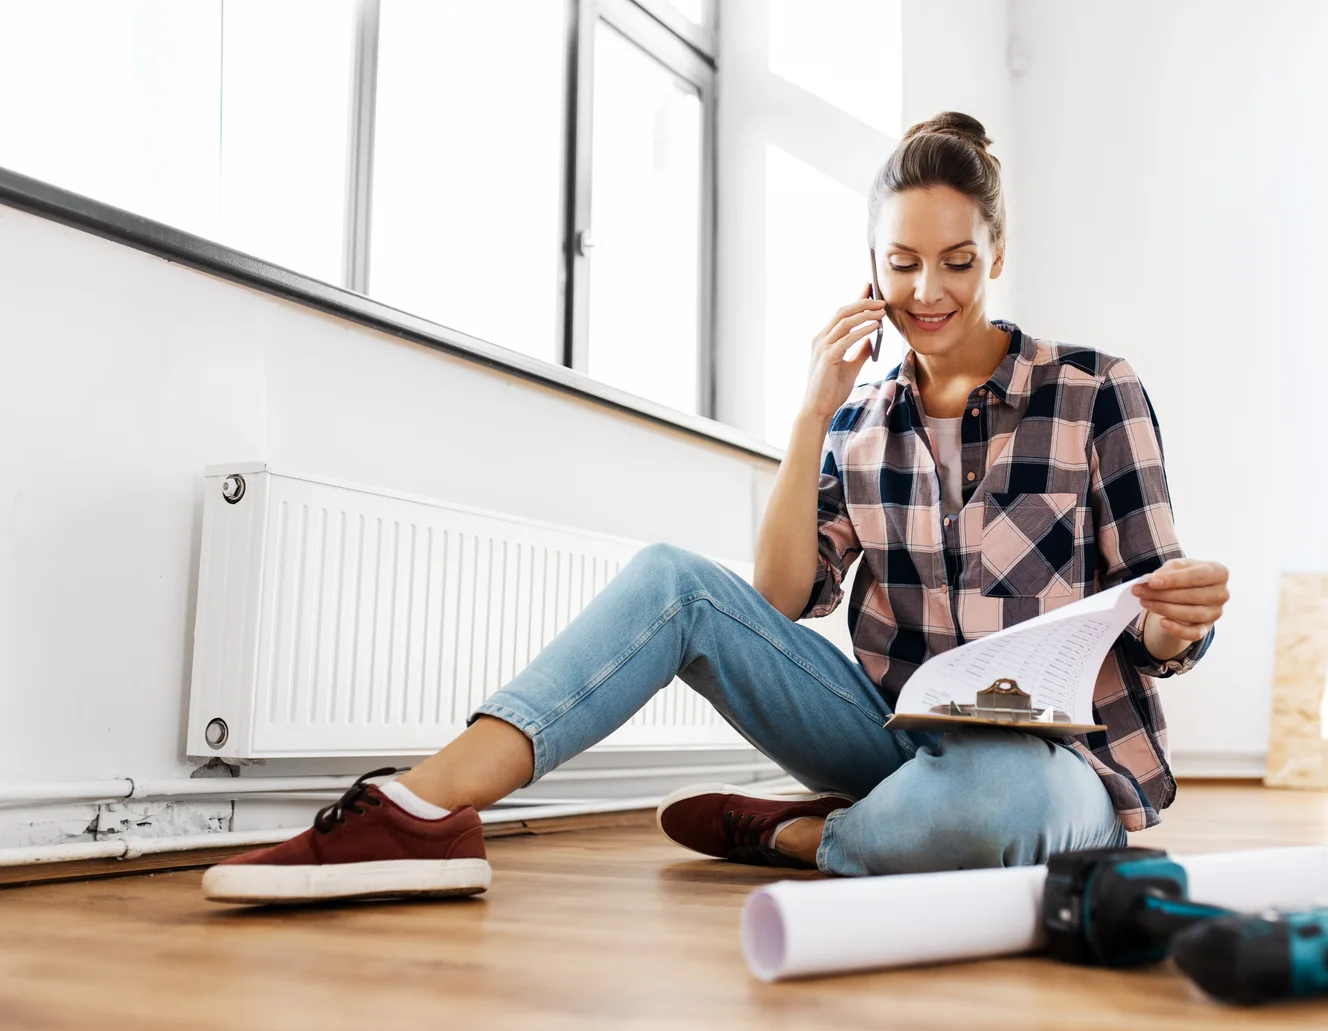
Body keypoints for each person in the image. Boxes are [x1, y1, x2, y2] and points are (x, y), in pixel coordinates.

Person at [201, 112, 1229, 905]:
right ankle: (421, 806)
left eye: (955, 262)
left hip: (1063, 763)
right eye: (901, 262)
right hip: (898, 732)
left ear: (993, 254)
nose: (927, 288)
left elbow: (1161, 625)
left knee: (995, 809)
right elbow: (781, 595)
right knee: (670, 581)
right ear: (870, 266)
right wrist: (811, 412)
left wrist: (1170, 618)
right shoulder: (858, 416)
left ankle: (799, 835)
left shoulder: (1096, 388)